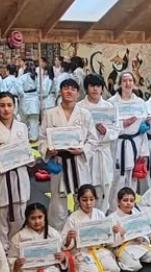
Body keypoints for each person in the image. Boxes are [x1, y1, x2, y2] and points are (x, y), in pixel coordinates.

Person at [42, 78, 94, 230]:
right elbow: (42, 138)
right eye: (66, 88)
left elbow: (93, 140)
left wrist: (82, 149)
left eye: (73, 89)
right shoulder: (50, 114)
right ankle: (58, 238)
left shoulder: (85, 114)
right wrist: (48, 150)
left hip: (78, 161)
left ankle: (82, 236)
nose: (69, 91)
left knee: (83, 199)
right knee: (58, 205)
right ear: (60, 91)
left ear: (78, 93)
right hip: (59, 162)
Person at [0, 92, 32, 250]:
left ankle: (15, 254)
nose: (6, 109)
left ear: (14, 106)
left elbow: (26, 150)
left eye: (9, 105)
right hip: (0, 180)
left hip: (19, 179)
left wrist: (29, 158)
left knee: (19, 220)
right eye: (2, 105)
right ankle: (1, 258)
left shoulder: (22, 127)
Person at [62, 185, 122, 272]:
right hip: (83, 252)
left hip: (99, 250)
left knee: (114, 270)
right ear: (78, 200)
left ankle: (97, 270)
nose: (88, 203)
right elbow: (65, 244)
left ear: (95, 200)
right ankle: (80, 271)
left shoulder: (100, 214)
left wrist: (113, 232)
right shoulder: (73, 218)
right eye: (84, 200)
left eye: (91, 199)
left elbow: (107, 239)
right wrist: (69, 238)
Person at [77, 73, 119, 213]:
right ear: (86, 88)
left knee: (105, 187)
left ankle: (101, 219)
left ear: (102, 88)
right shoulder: (79, 107)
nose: (95, 89)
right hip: (87, 153)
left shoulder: (109, 107)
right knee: (85, 188)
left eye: (98, 86)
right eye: (92, 86)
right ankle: (83, 221)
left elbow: (116, 129)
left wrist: (105, 131)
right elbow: (75, 131)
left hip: (104, 151)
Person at [108, 72, 148, 199]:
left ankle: (130, 206)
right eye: (124, 80)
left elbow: (144, 126)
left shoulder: (141, 102)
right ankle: (114, 208)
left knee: (133, 177)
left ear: (134, 83)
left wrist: (143, 151)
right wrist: (122, 124)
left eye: (130, 80)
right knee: (117, 177)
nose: (127, 83)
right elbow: (108, 125)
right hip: (118, 144)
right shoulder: (111, 103)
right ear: (119, 83)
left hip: (135, 141)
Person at [109, 187, 151, 272]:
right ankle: (123, 261)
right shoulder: (112, 218)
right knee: (135, 267)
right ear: (118, 202)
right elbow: (109, 244)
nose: (128, 203)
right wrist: (118, 234)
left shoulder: (137, 213)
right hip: (123, 246)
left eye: (131, 201)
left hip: (137, 243)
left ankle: (134, 259)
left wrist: (142, 237)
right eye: (125, 200)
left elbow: (144, 231)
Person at [15, 60, 43, 141]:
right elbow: (40, 89)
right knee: (34, 121)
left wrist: (23, 95)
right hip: (34, 99)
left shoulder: (23, 77)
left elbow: (19, 89)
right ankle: (34, 138)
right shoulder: (37, 76)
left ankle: (24, 137)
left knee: (24, 121)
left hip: (26, 99)